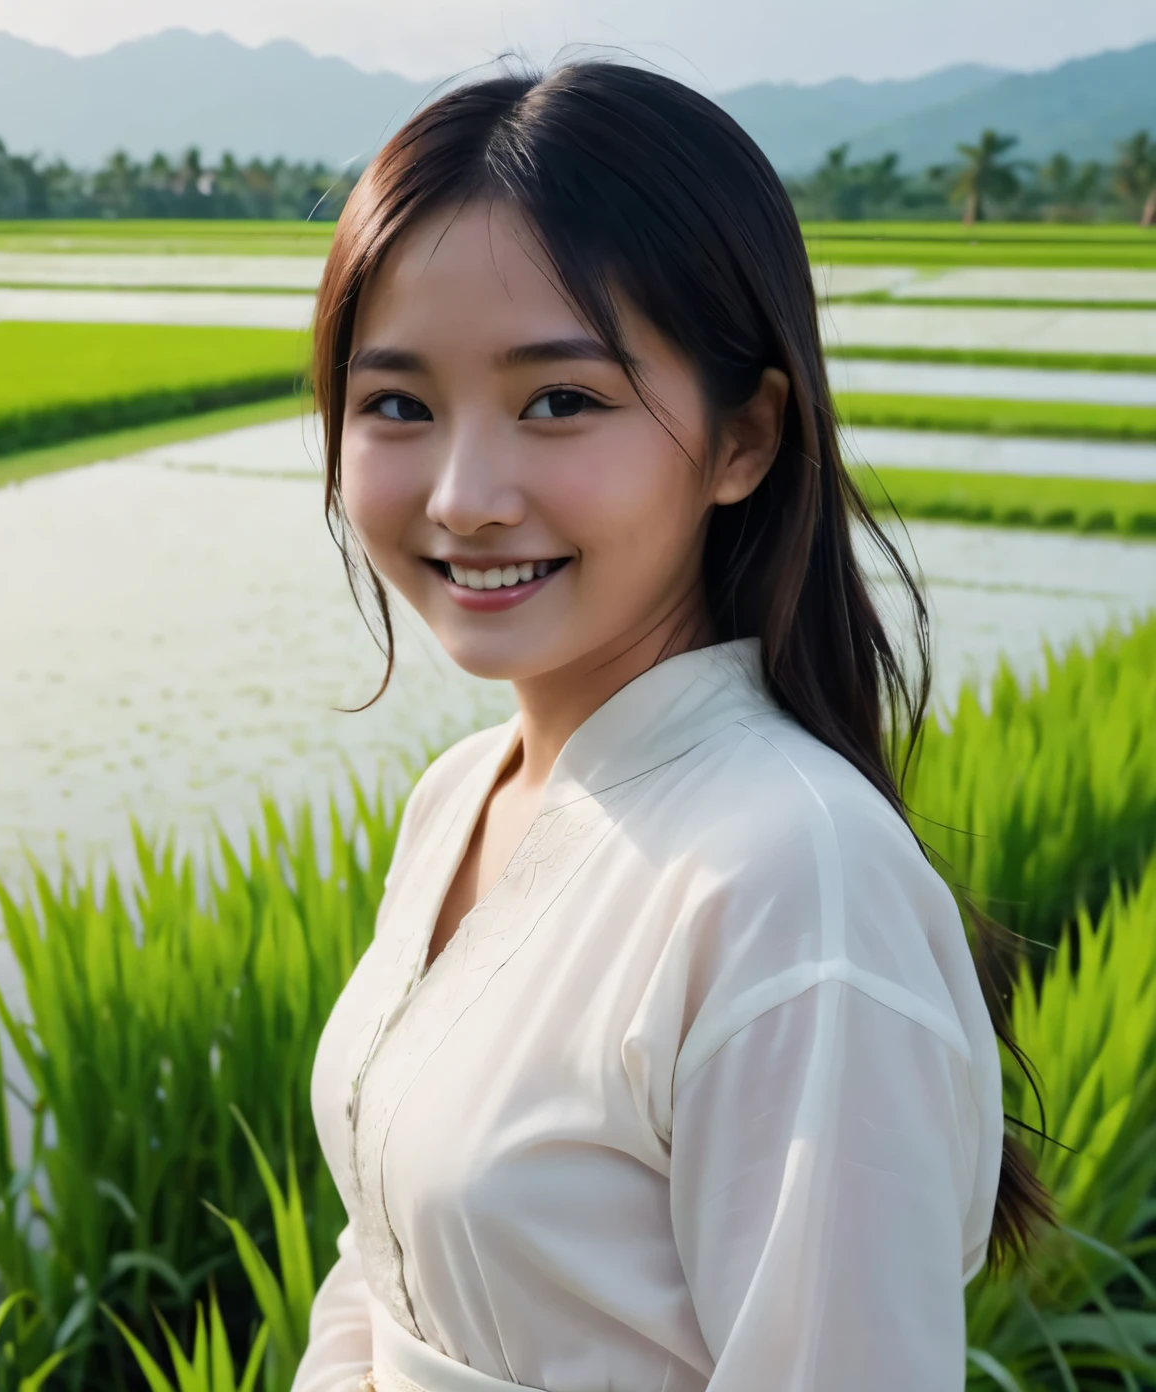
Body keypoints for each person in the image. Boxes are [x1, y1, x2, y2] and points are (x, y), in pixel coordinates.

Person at [294, 60, 1050, 1392]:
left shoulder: (791, 881)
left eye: (561, 402)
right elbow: (380, 1256)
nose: (466, 496)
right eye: (398, 404)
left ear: (745, 438)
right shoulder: (462, 797)